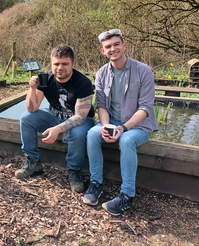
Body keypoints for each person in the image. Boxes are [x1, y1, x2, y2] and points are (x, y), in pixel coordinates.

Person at [82, 29, 158, 215]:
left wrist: (123, 128)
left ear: (124, 45)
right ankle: (96, 183)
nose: (113, 49)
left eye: (116, 44)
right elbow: (102, 106)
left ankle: (127, 195)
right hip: (113, 120)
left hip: (138, 125)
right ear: (103, 51)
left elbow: (145, 108)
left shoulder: (143, 70)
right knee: (92, 133)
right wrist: (107, 127)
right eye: (108, 46)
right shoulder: (101, 74)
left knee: (126, 140)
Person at [14, 44, 95, 193]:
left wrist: (57, 129)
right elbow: (32, 109)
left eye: (65, 64)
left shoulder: (83, 83)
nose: (60, 68)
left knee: (77, 133)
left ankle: (74, 171)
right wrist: (32, 88)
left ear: (73, 64)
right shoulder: (46, 78)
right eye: (56, 64)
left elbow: (80, 117)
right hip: (55, 116)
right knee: (26, 118)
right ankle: (33, 161)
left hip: (81, 121)